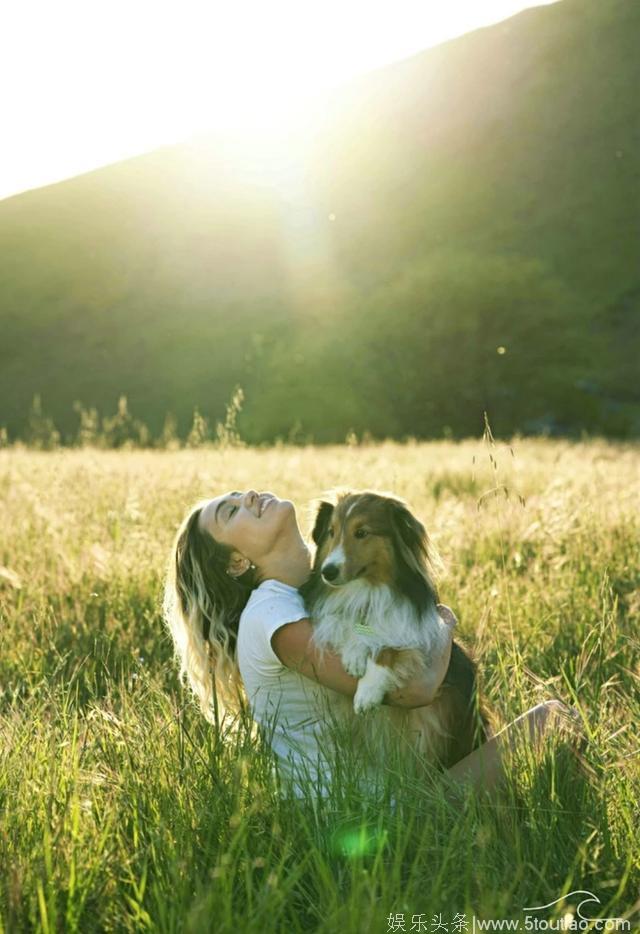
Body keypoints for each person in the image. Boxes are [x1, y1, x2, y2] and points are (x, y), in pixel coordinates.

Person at [163, 489, 580, 800]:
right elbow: (416, 691)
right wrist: (444, 624)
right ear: (237, 562)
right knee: (556, 718)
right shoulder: (274, 617)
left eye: (239, 493)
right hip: (372, 814)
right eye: (231, 510)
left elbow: (365, 637)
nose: (248, 496)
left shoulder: (301, 600)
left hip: (383, 791)